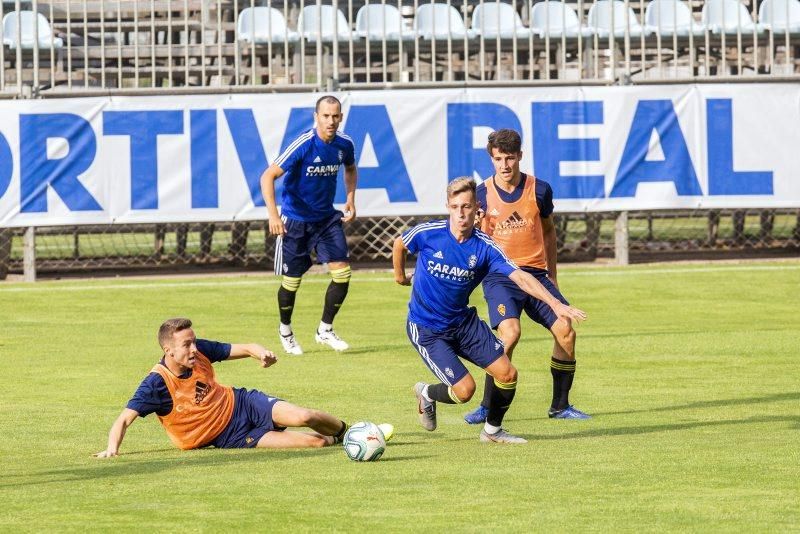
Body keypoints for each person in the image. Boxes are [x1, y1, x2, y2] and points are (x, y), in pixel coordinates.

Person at [392, 177, 587, 444]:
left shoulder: (485, 247)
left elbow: (519, 276)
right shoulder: (428, 233)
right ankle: (426, 393)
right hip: (427, 329)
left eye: (467, 207)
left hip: (463, 323)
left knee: (507, 374)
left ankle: (492, 431)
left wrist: (555, 303)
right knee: (465, 391)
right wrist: (400, 276)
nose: (461, 213)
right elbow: (400, 244)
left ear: (477, 209)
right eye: (456, 206)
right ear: (448, 206)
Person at [94, 318, 391, 457]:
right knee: (313, 443)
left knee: (304, 417)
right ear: (168, 350)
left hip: (243, 403)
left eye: (194, 341)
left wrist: (261, 353)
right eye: (187, 344)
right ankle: (342, 441)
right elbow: (124, 419)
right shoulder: (156, 384)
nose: (195, 348)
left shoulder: (201, 351)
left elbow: (246, 347)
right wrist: (111, 450)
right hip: (231, 435)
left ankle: (351, 432)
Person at [463, 129, 591, 425]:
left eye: (510, 158)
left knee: (566, 330)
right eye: (498, 159)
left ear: (520, 156)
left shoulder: (540, 190)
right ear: (491, 159)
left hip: (536, 275)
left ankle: (560, 406)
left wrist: (553, 277)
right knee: (509, 335)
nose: (505, 165)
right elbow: (474, 243)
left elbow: (548, 231)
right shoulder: (481, 194)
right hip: (501, 278)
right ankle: (486, 406)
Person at [260, 95, 358, 355]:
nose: (331, 121)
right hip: (296, 222)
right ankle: (285, 330)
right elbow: (267, 176)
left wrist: (350, 198)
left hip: (326, 219)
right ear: (316, 117)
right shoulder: (304, 143)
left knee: (343, 274)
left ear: (341, 117)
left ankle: (325, 329)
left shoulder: (344, 144)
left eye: (335, 116)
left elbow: (350, 168)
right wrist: (273, 215)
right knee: (292, 281)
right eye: (326, 116)